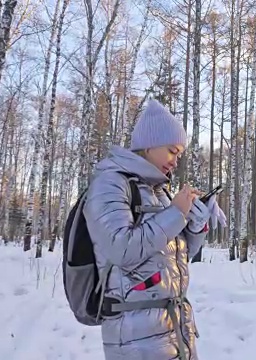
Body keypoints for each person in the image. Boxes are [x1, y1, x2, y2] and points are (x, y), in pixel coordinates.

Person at [83, 99, 226, 360]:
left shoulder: (159, 191)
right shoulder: (110, 183)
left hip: (176, 333)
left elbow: (175, 256)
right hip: (137, 339)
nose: (175, 161)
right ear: (149, 144)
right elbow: (121, 249)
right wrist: (175, 213)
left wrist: (195, 225)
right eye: (172, 151)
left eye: (179, 155)